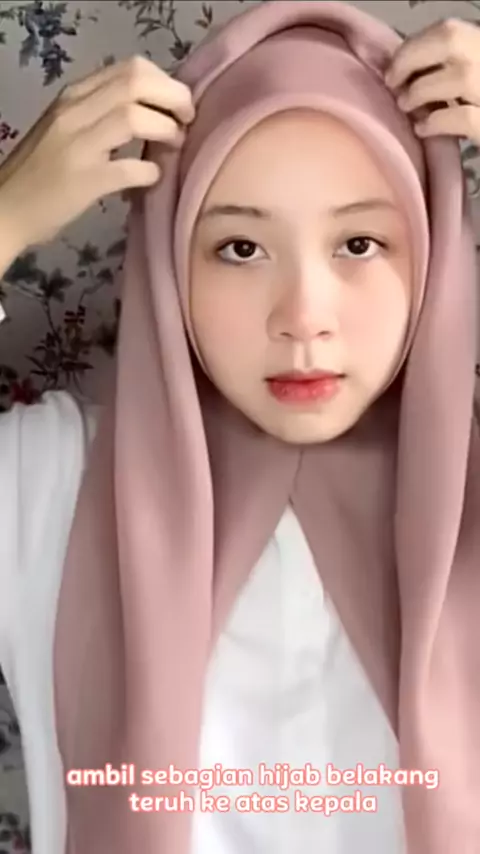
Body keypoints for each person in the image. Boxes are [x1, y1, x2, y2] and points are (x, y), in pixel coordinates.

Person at [0, 3, 479, 854]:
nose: (303, 317)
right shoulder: (50, 486)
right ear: (169, 260)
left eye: (360, 244)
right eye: (240, 249)